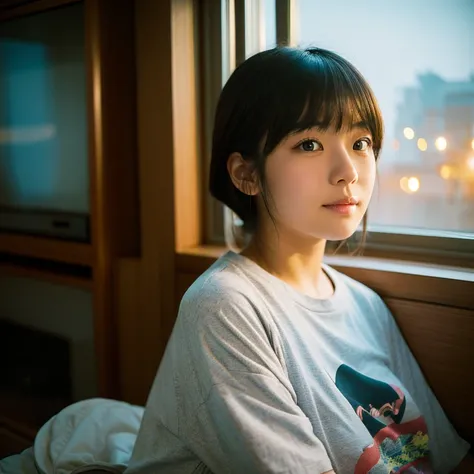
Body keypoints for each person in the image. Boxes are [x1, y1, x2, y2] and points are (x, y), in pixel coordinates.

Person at [127, 47, 472, 474]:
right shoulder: (224, 306)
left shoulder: (366, 305)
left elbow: (445, 457)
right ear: (246, 174)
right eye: (309, 144)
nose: (348, 171)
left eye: (361, 142)